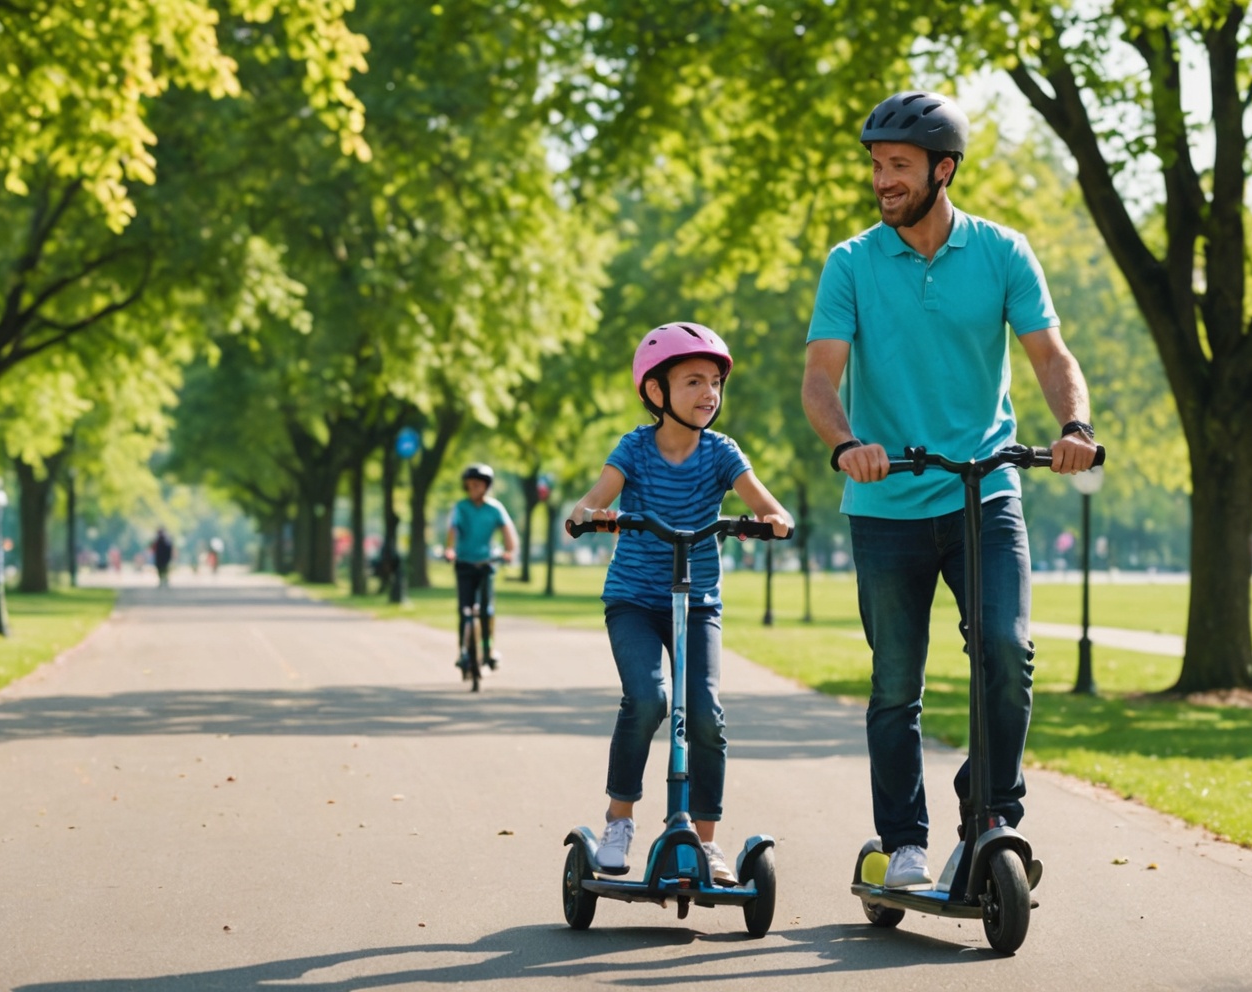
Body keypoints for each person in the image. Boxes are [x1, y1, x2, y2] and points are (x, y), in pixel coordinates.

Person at [802, 91, 1098, 889]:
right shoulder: (852, 262)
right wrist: (848, 445)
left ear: (944, 170)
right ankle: (903, 841)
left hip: (985, 494)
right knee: (897, 683)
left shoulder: (1003, 253)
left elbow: (1048, 355)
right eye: (875, 166)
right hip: (886, 502)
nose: (882, 180)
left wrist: (1073, 426)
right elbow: (819, 380)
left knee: (1007, 650)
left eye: (897, 166)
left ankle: (993, 812)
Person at [564, 322, 793, 885]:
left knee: (706, 716)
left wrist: (772, 521)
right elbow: (595, 497)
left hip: (697, 603)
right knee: (648, 698)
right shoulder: (634, 448)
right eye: (693, 381)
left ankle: (704, 839)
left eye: (715, 382)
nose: (709, 393)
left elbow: (767, 504)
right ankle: (619, 821)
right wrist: (588, 513)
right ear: (656, 392)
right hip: (635, 599)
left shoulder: (721, 452)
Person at [443, 464, 518, 672]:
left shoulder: (495, 508)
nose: (473, 487)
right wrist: (449, 549)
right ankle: (462, 652)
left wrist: (509, 551)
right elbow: (452, 529)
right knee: (464, 609)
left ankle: (489, 649)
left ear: (486, 486)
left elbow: (507, 531)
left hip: (487, 564)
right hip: (464, 563)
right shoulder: (461, 507)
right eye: (470, 484)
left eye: (478, 484)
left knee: (486, 610)